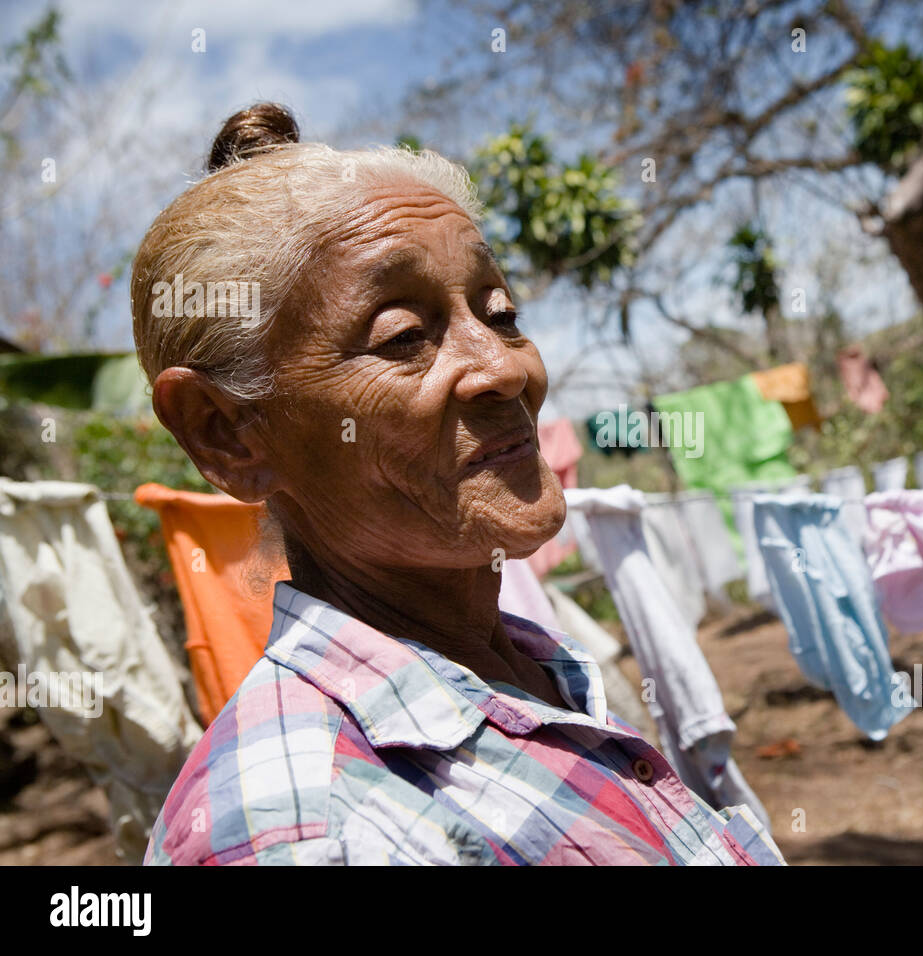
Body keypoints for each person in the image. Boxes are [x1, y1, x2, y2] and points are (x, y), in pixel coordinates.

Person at [134, 103, 784, 865]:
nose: (507, 367)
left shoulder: (534, 673)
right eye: (405, 336)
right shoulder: (309, 828)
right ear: (227, 431)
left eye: (501, 313)